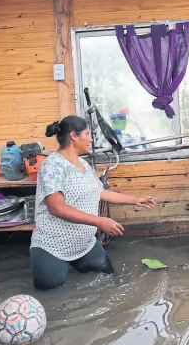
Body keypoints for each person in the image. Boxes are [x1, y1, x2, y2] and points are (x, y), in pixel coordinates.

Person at [30, 115, 157, 290]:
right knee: (50, 292)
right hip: (53, 246)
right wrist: (100, 221)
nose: (91, 139)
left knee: (109, 280)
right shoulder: (52, 165)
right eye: (88, 134)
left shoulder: (83, 164)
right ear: (74, 135)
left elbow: (100, 192)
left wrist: (136, 200)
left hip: (84, 244)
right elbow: (56, 207)